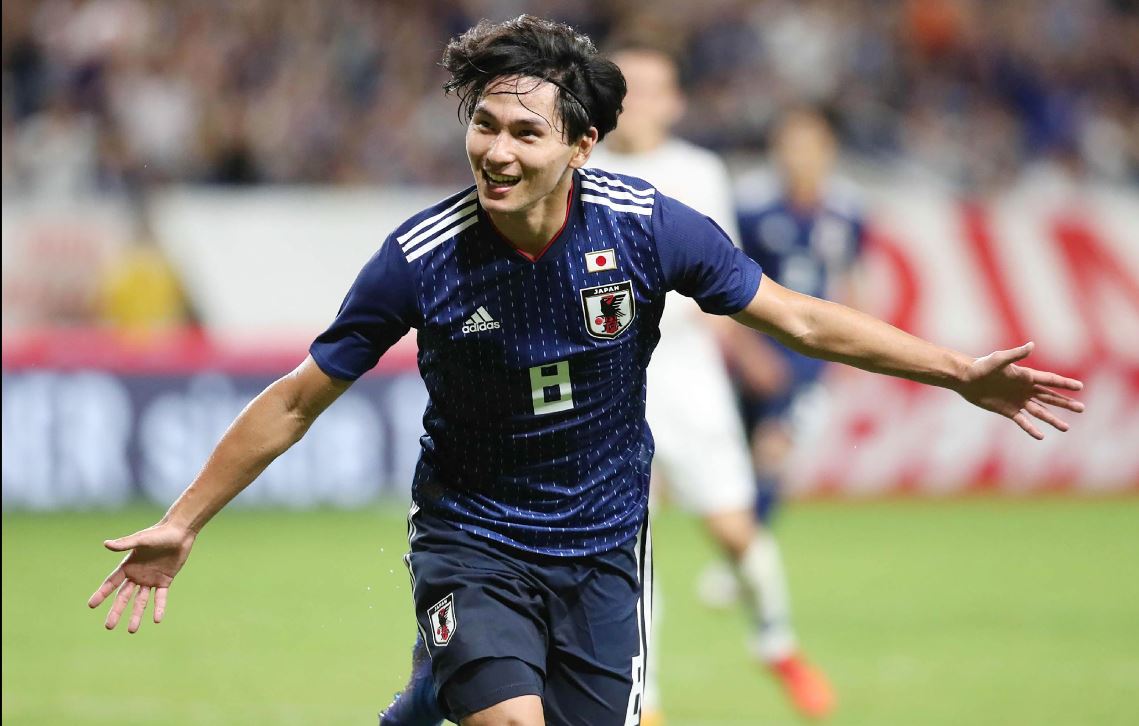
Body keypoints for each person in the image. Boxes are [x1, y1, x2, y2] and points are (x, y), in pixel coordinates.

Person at [88, 15, 1084, 726]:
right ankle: (459, 666)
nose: (497, 150)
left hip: (606, 549)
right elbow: (301, 397)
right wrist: (185, 517)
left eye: (526, 131)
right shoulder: (420, 256)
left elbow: (795, 317)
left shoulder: (645, 228)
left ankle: (431, 692)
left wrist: (956, 370)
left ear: (580, 144)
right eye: (484, 123)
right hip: (471, 536)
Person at [591, 42, 833, 722]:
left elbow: (717, 277)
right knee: (625, 545)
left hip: (686, 377)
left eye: (649, 87)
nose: (635, 99)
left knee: (733, 530)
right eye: (623, 86)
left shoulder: (696, 171)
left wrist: (744, 347)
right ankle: (647, 703)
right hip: (607, 384)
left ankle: (776, 643)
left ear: (674, 102)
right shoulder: (576, 166)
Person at [698, 108, 867, 631]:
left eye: (811, 145)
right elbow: (726, 282)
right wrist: (748, 353)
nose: (801, 155)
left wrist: (852, 347)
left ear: (828, 151)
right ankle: (745, 554)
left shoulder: (847, 214)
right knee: (745, 461)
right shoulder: (750, 209)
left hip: (809, 357)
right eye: (791, 144)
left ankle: (739, 565)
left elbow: (849, 282)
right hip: (758, 347)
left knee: (775, 449)